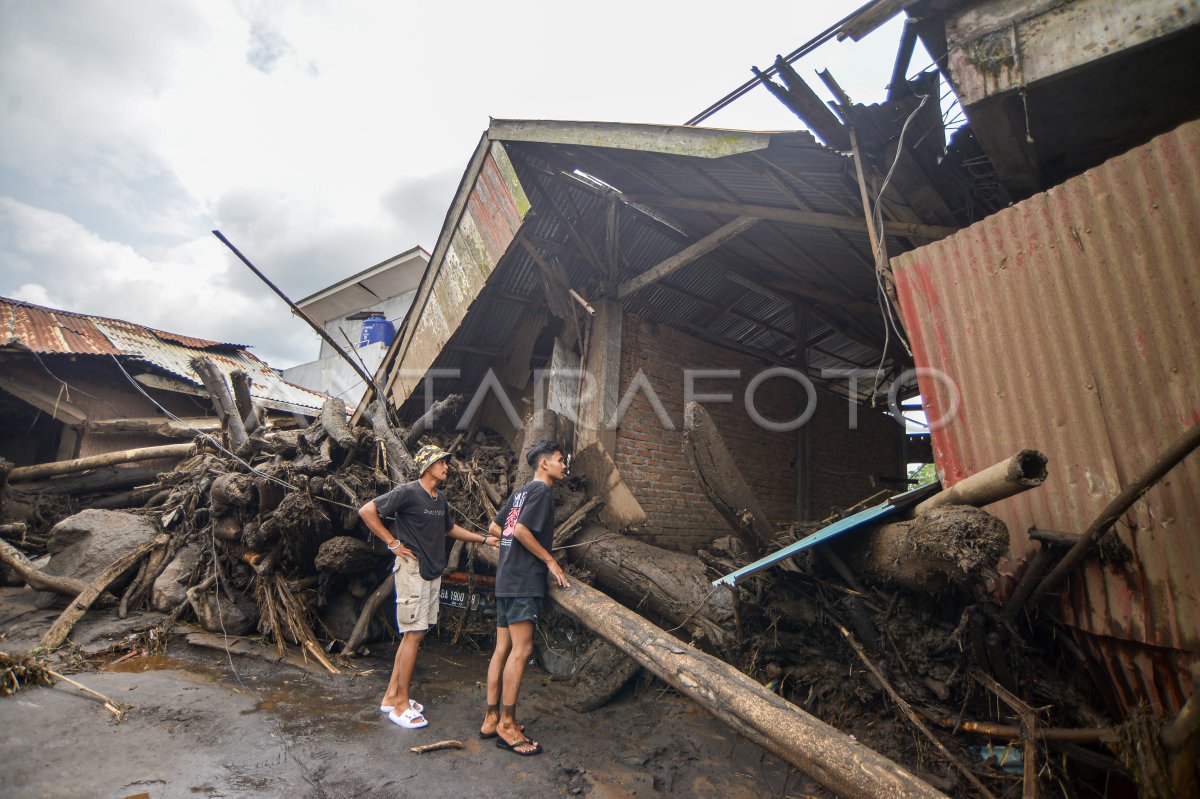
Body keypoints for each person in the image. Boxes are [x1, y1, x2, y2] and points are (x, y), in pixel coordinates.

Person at [359, 443, 500, 729]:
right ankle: (401, 706)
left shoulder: (439, 499)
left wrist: (484, 539)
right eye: (440, 462)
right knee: (413, 633)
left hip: (431, 571)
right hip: (412, 569)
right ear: (426, 466)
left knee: (415, 634)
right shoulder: (408, 492)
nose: (446, 467)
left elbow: (449, 529)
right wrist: (393, 543)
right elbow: (367, 511)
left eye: (446, 463)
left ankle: (391, 697)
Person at [480, 439, 570, 756]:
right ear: (543, 463)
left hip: (506, 578)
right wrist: (548, 560)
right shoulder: (542, 492)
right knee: (522, 650)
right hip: (523, 582)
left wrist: (508, 553)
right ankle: (507, 723)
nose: (563, 464)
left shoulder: (519, 493)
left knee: (502, 648)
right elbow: (519, 531)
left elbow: (495, 527)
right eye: (560, 459)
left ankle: (492, 718)